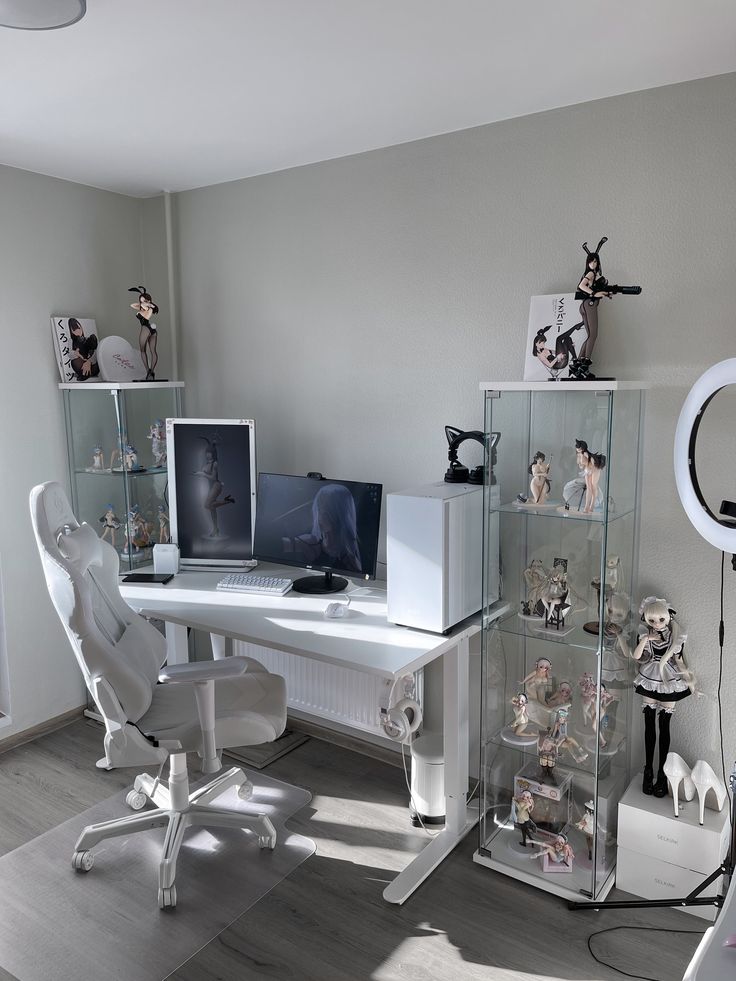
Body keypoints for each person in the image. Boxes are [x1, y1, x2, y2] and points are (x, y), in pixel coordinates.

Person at [629, 596, 694, 796]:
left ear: (668, 617)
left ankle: (662, 774)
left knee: (664, 727)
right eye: (652, 621)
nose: (657, 624)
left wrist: (691, 681)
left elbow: (680, 662)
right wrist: (647, 638)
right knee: (649, 725)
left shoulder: (675, 638)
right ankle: (648, 771)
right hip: (650, 675)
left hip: (669, 679)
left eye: (661, 620)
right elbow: (636, 657)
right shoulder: (645, 635)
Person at [286, 484, 362, 573]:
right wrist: (295, 544)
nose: (321, 515)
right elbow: (275, 545)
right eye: (320, 509)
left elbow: (361, 580)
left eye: (329, 510)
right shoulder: (309, 541)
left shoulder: (351, 554)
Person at [571, 238, 612, 380]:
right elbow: (581, 286)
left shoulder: (592, 275)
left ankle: (578, 363)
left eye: (595, 261)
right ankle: (585, 365)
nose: (593, 264)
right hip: (590, 305)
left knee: (590, 336)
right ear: (587, 263)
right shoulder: (591, 274)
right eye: (591, 261)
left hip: (584, 305)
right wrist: (594, 293)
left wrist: (603, 293)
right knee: (593, 336)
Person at [192, 436, 235, 537]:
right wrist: (197, 473)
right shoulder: (207, 463)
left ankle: (227, 501)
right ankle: (215, 529)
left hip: (216, 485)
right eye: (207, 452)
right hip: (211, 487)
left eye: (210, 452)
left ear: (213, 454)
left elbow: (213, 478)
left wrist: (202, 474)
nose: (207, 454)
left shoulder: (215, 463)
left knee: (207, 505)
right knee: (212, 509)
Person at [128, 286, 159, 381]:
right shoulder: (143, 308)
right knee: (151, 351)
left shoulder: (149, 309)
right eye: (141, 301)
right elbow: (132, 305)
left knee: (143, 351)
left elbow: (148, 315)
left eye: (145, 300)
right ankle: (150, 372)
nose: (142, 303)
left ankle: (149, 371)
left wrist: (149, 304)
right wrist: (142, 303)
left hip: (146, 328)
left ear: (149, 301)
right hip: (152, 329)